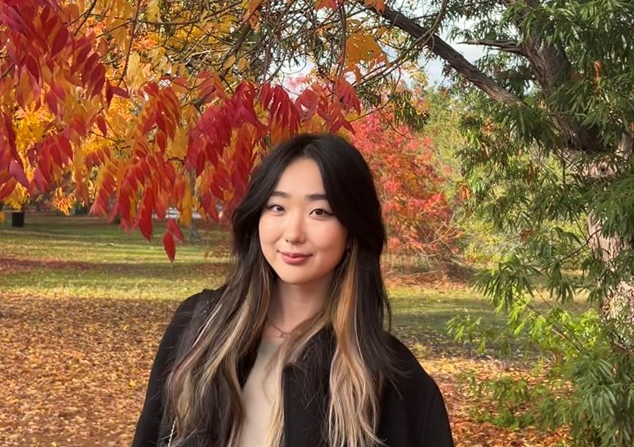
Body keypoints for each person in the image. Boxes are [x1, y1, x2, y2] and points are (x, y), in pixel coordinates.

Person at [132, 133, 454, 447]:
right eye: (277, 207)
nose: (293, 233)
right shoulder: (198, 326)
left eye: (320, 212)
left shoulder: (396, 381)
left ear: (353, 228)